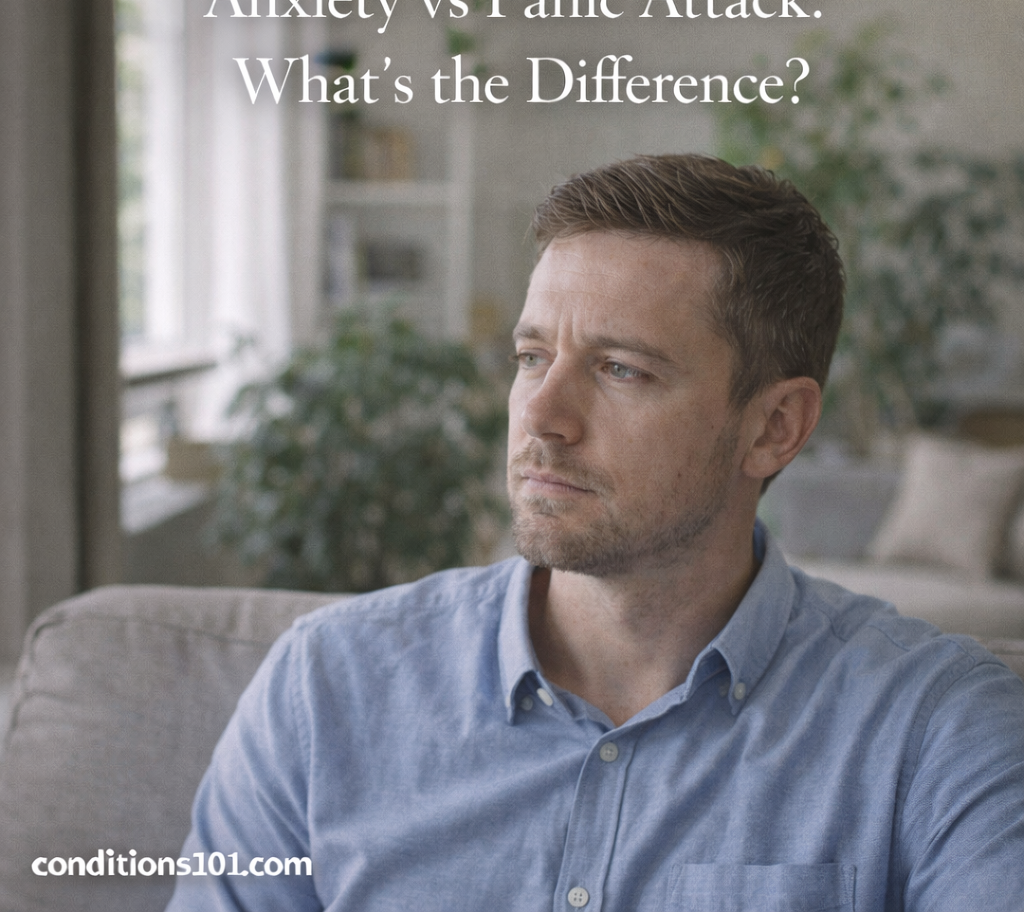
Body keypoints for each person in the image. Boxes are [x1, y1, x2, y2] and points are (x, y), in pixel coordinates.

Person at [167, 154, 1024, 912]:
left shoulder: (938, 728)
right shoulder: (324, 689)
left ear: (774, 429)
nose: (541, 415)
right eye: (532, 357)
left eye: (621, 369)